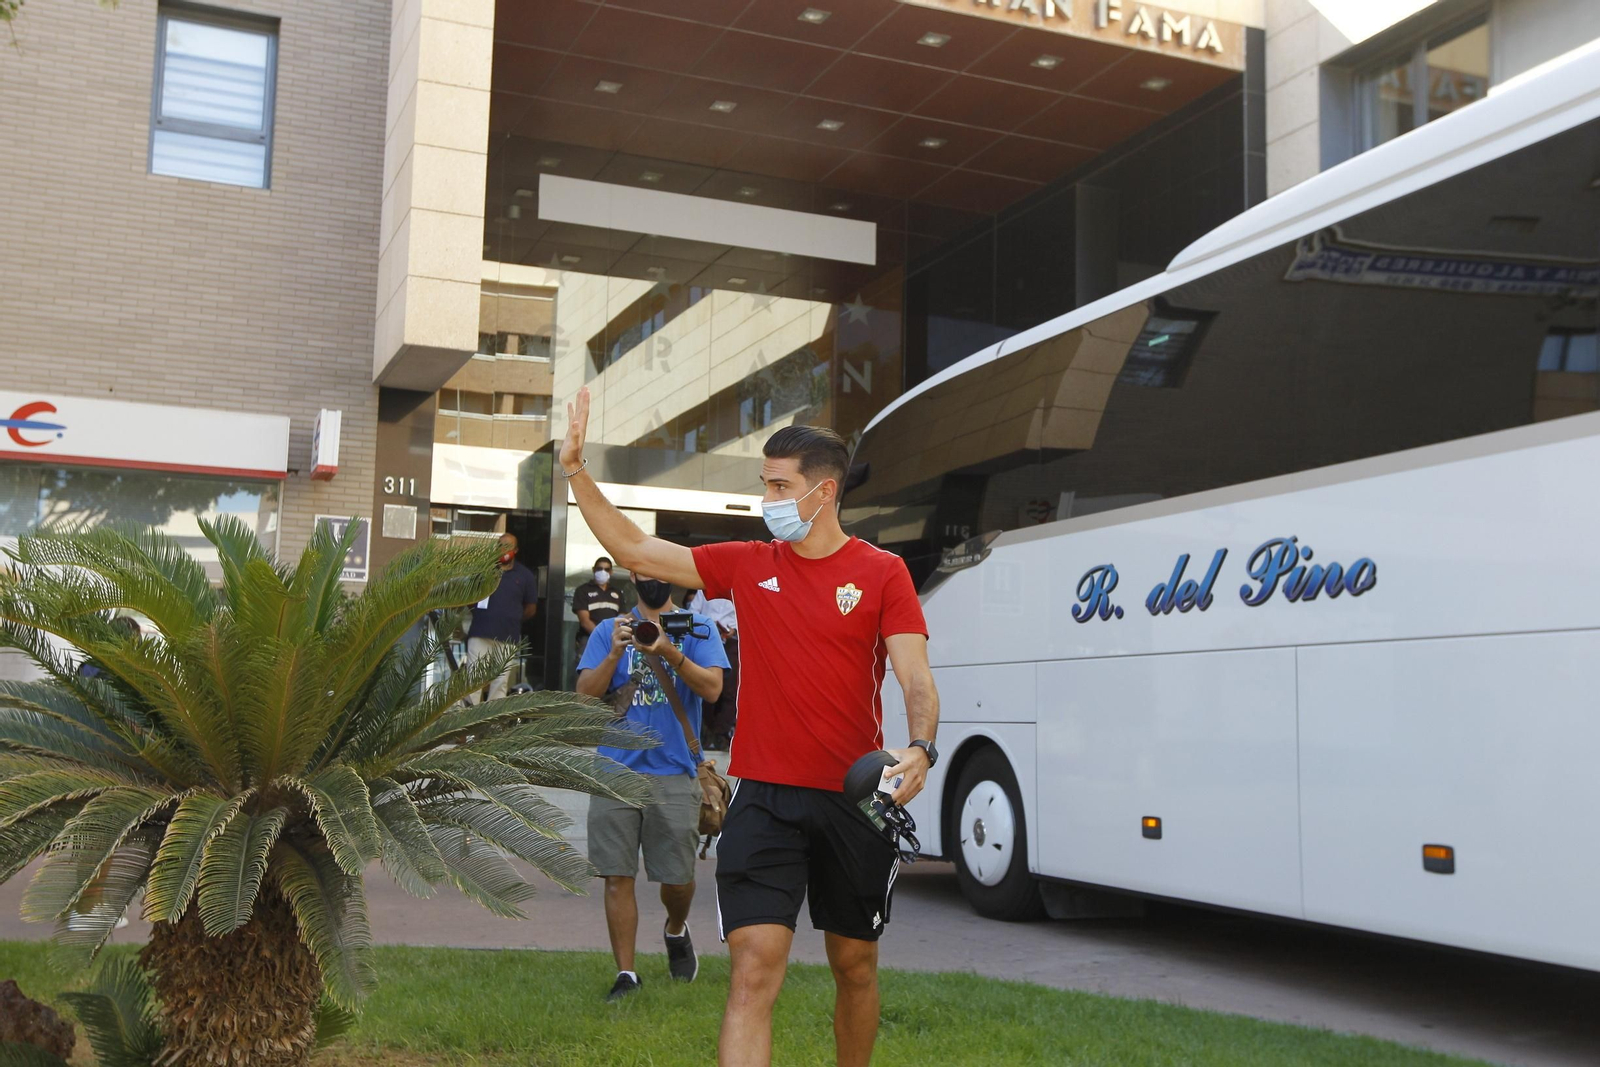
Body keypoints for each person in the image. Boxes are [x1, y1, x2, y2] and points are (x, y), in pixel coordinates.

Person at [558, 387, 940, 1067]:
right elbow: (635, 547)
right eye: (764, 484)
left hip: (853, 798)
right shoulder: (748, 563)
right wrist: (576, 470)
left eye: (779, 486)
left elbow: (915, 676)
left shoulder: (883, 574)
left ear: (824, 492)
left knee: (854, 965)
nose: (767, 499)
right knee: (752, 971)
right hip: (763, 798)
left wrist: (920, 746)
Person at [575, 574, 727, 1002]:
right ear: (633, 578)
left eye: (659, 573)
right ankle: (626, 974)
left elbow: (713, 689)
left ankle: (675, 929)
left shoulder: (697, 627)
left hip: (674, 769)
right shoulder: (610, 629)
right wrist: (613, 654)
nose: (652, 581)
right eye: (643, 574)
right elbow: (584, 698)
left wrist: (667, 650)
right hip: (614, 769)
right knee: (616, 876)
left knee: (677, 879)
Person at [463, 532, 538, 703]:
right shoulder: (483, 571)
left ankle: (493, 717)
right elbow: (469, 598)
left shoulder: (524, 575)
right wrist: (482, 614)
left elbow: (531, 608)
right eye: (500, 546)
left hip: (508, 636)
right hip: (480, 632)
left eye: (508, 546)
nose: (503, 549)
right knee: (473, 679)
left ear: (516, 550)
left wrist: (513, 618)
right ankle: (467, 716)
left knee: (500, 681)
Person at [688, 588, 738, 751]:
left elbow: (748, 616)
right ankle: (707, 732)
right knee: (706, 685)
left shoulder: (739, 589)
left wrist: (734, 630)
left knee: (730, 690)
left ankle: (721, 733)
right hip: (707, 640)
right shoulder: (704, 589)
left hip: (732, 642)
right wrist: (705, 626)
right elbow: (693, 612)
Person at [572, 555, 625, 661]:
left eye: (606, 569)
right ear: (593, 570)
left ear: (611, 572)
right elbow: (585, 621)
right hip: (589, 639)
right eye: (599, 569)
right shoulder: (583, 590)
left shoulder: (617, 592)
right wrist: (601, 637)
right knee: (587, 669)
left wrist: (613, 637)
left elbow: (622, 617)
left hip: (612, 641)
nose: (603, 572)